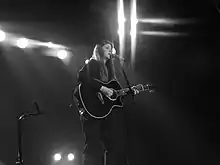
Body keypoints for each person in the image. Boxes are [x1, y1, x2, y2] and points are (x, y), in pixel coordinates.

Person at [74, 40, 138, 165]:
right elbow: (81, 76)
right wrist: (102, 88)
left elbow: (115, 95)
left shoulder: (110, 71)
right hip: (91, 110)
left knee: (113, 145)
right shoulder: (92, 63)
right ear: (99, 49)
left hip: (104, 112)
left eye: (111, 48)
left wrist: (130, 92)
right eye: (107, 47)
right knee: (93, 147)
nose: (110, 51)